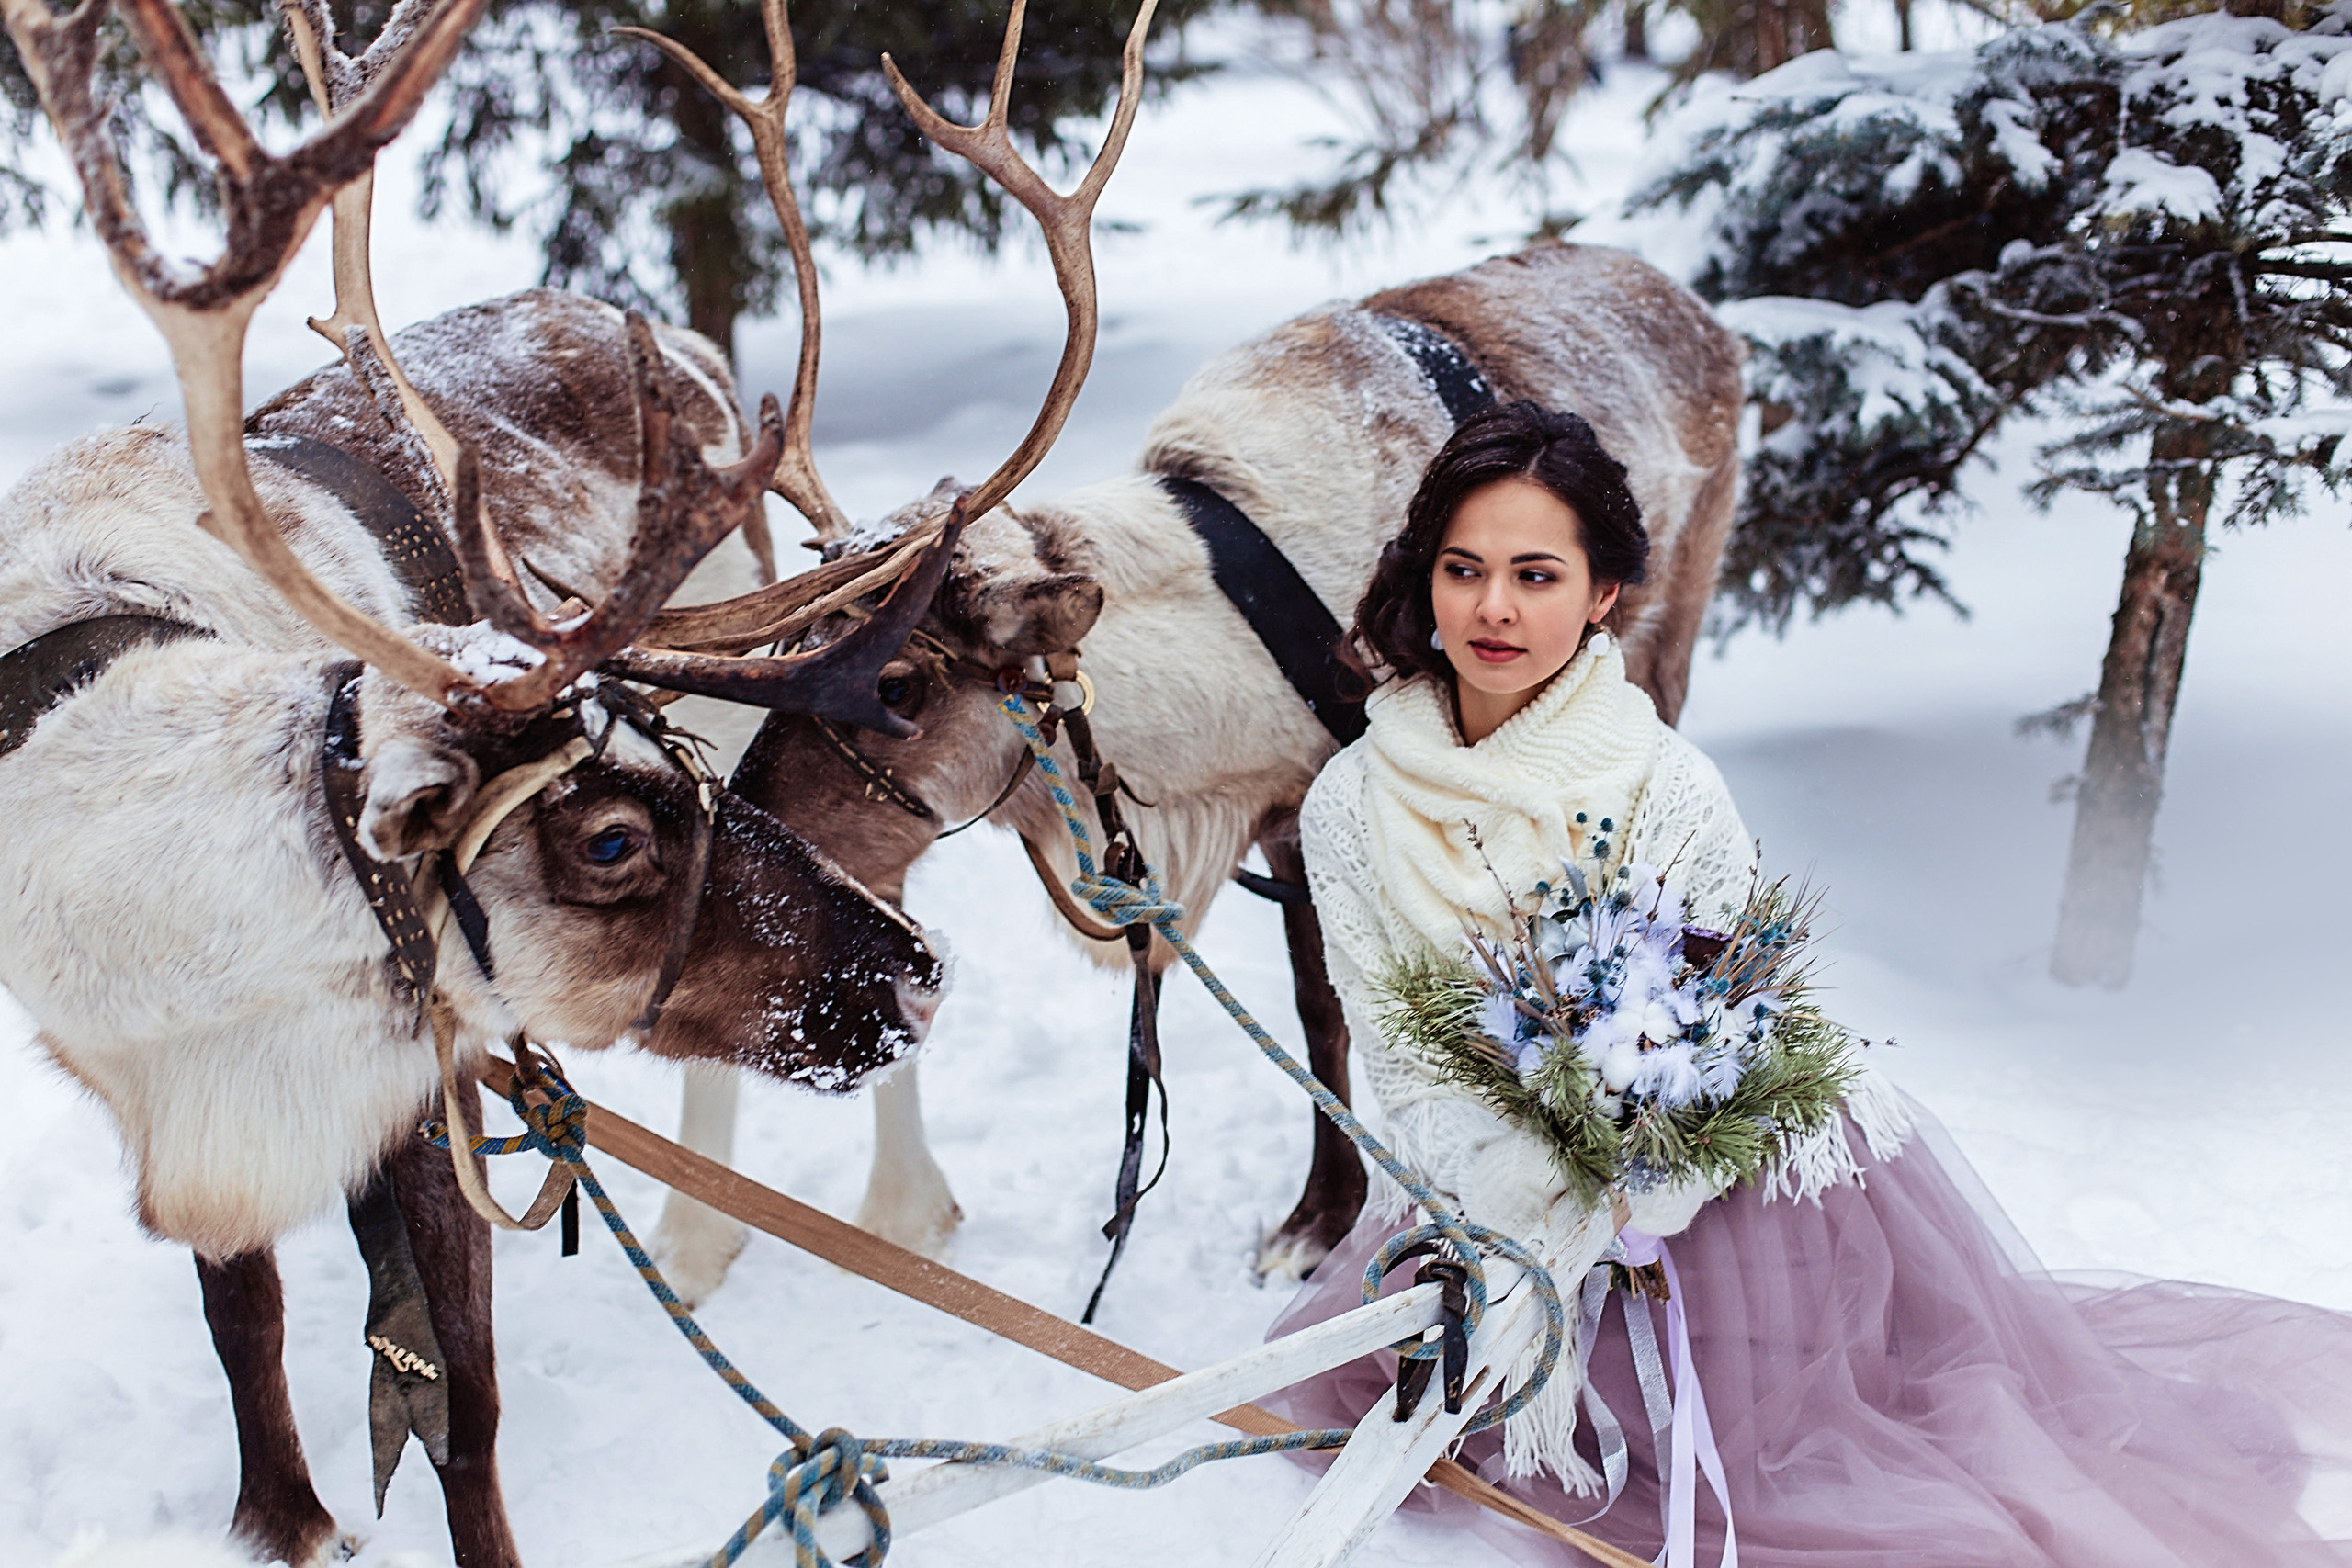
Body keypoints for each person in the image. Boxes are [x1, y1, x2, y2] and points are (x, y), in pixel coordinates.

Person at [1269, 400, 2352, 1565]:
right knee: (1424, 1391)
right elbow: (1400, 1047)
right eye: (1463, 569)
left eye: (1536, 574)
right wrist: (1512, 1218)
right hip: (1481, 1178)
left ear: (1602, 597)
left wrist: (1636, 1190)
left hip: (1703, 1201)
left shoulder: (1660, 781)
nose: (1493, 608)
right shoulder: (1351, 801)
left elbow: (1734, 1017)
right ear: (1422, 580)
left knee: (1809, 1469)